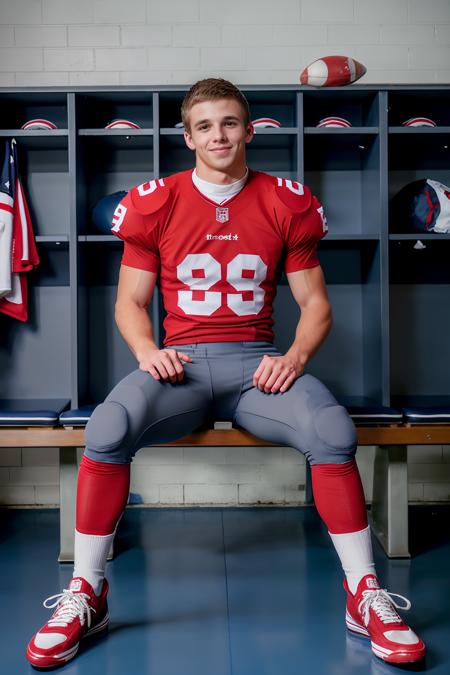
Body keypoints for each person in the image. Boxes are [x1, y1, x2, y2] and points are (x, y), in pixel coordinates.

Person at [26, 78, 425, 668]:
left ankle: (363, 593)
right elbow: (129, 303)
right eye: (206, 125)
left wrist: (292, 358)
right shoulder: (155, 201)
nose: (219, 135)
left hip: (255, 368)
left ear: (249, 130)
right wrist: (145, 351)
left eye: (231, 123)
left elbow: (316, 305)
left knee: (333, 433)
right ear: (188, 136)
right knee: (107, 429)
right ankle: (88, 592)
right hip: (179, 367)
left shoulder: (284, 200)